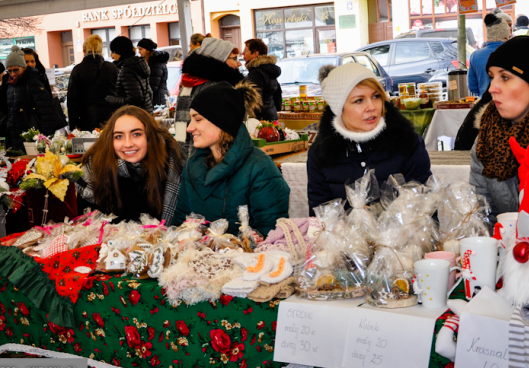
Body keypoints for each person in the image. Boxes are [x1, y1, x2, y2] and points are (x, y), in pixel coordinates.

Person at [307, 63, 432, 214]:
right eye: (359, 100)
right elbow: (319, 216)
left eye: (376, 96)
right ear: (338, 108)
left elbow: (426, 207)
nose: (371, 107)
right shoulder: (321, 155)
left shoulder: (407, 143)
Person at [172, 81, 289, 234]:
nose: (190, 128)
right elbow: (181, 222)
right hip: (196, 256)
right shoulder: (192, 166)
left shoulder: (260, 168)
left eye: (198, 119)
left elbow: (271, 234)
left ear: (222, 120)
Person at [469, 36, 529, 223]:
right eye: (491, 77)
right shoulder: (487, 136)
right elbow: (484, 215)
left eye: (505, 77)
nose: (492, 88)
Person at [77, 105, 182, 224]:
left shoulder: (169, 165)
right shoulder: (96, 169)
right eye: (119, 136)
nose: (128, 144)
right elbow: (85, 225)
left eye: (136, 134)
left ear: (150, 136)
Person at [174, 36, 243, 162]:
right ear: (220, 60)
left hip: (185, 157)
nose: (239, 63)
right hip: (206, 158)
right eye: (234, 59)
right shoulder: (216, 88)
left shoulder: (190, 83)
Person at [0, 45, 65, 150]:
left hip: (34, 135)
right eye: (9, 71)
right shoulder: (9, 83)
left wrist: (46, 136)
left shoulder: (34, 81)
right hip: (16, 135)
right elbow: (1, 106)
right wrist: (8, 124)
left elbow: (46, 110)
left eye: (15, 70)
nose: (13, 74)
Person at [67, 35, 119, 131]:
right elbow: (119, 93)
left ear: (84, 50)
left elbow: (72, 100)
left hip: (86, 118)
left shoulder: (78, 69)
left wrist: (73, 125)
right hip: (110, 117)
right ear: (100, 50)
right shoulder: (111, 68)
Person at [105, 36, 153, 114]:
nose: (112, 56)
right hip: (145, 113)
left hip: (135, 116)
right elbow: (150, 93)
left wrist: (110, 99)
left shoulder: (127, 70)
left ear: (120, 52)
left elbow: (134, 99)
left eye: (114, 52)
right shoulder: (138, 65)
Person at [468, 13, 511, 96]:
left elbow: (472, 86)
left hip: (484, 105)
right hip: (509, 103)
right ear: (506, 35)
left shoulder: (475, 56)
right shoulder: (514, 52)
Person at [243, 39, 282, 121]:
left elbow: (255, 100)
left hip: (261, 119)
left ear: (256, 53)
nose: (243, 53)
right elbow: (277, 93)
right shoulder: (268, 69)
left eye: (246, 50)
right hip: (272, 115)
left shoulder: (256, 72)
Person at [136, 38, 169, 107]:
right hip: (155, 99)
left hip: (158, 100)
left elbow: (153, 85)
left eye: (141, 49)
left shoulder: (156, 63)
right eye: (138, 49)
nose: (139, 52)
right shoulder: (147, 62)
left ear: (148, 50)